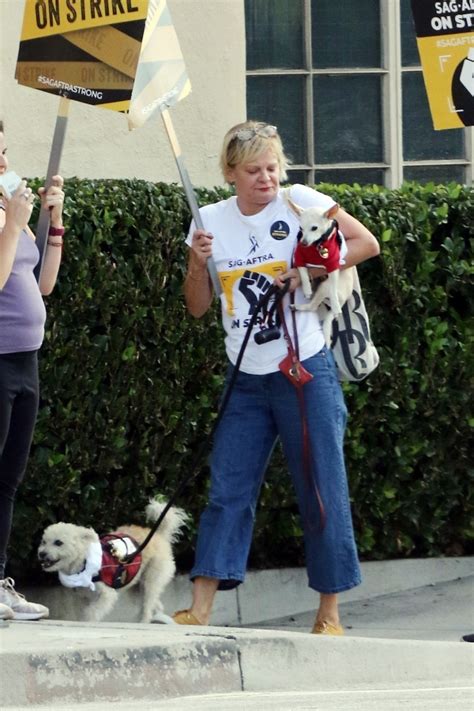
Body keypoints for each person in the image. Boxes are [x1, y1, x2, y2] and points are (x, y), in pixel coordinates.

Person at [172, 121, 380, 634]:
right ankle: (199, 609)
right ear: (230, 173)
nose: (266, 178)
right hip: (244, 376)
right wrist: (197, 265)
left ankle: (329, 614)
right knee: (227, 489)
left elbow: (365, 243)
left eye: (271, 167)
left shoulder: (299, 201)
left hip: (304, 369)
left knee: (321, 487)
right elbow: (197, 308)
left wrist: (308, 272)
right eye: (252, 170)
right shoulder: (209, 221)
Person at [0, 119, 65, 620]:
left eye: (4, 151)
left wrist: (53, 222)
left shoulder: (9, 213)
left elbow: (41, 284)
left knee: (9, 478)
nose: (4, 163)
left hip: (26, 361)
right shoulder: (7, 220)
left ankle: (0, 581)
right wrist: (14, 226)